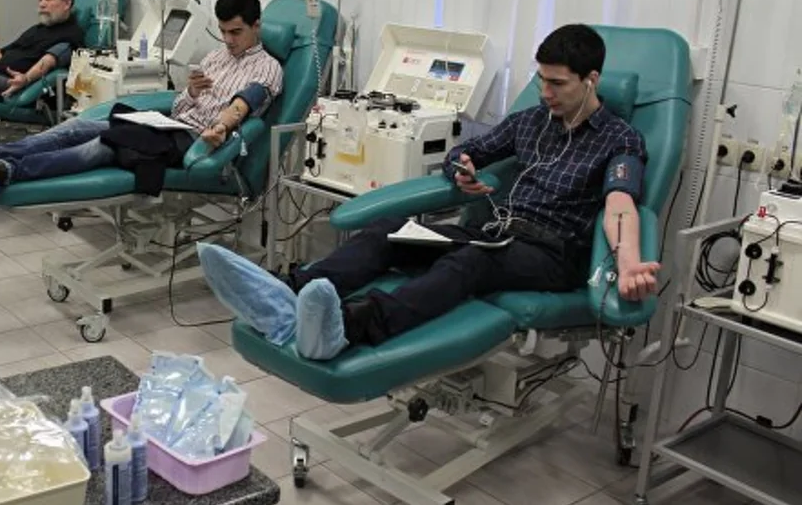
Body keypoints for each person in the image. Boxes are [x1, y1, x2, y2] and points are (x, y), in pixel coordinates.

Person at [198, 23, 662, 361]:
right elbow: (469, 151)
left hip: (551, 253)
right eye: (541, 80)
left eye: (557, 83)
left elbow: (621, 205)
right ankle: (285, 293)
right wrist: (463, 169)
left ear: (591, 79)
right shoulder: (532, 121)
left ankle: (349, 327)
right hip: (495, 235)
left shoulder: (619, 139)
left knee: (470, 262)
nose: (545, 92)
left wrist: (628, 264)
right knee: (391, 231)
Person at [0, 0, 283, 199]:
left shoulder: (267, 67)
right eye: (224, 31)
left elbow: (246, 102)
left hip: (191, 144)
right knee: (77, 127)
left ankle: (5, 172)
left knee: (101, 146)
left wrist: (220, 127)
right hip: (171, 126)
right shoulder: (217, 57)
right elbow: (180, 105)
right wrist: (190, 92)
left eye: (236, 32)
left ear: (256, 26)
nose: (228, 39)